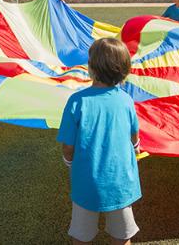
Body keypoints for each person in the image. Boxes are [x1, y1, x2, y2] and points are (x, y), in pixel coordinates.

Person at [57, 38, 141, 244]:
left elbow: (68, 147)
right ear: (124, 70)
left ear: (91, 67)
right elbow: (134, 135)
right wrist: (136, 149)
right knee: (122, 237)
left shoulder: (77, 101)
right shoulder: (126, 100)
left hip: (87, 183)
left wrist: (69, 162)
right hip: (121, 183)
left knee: (81, 236)